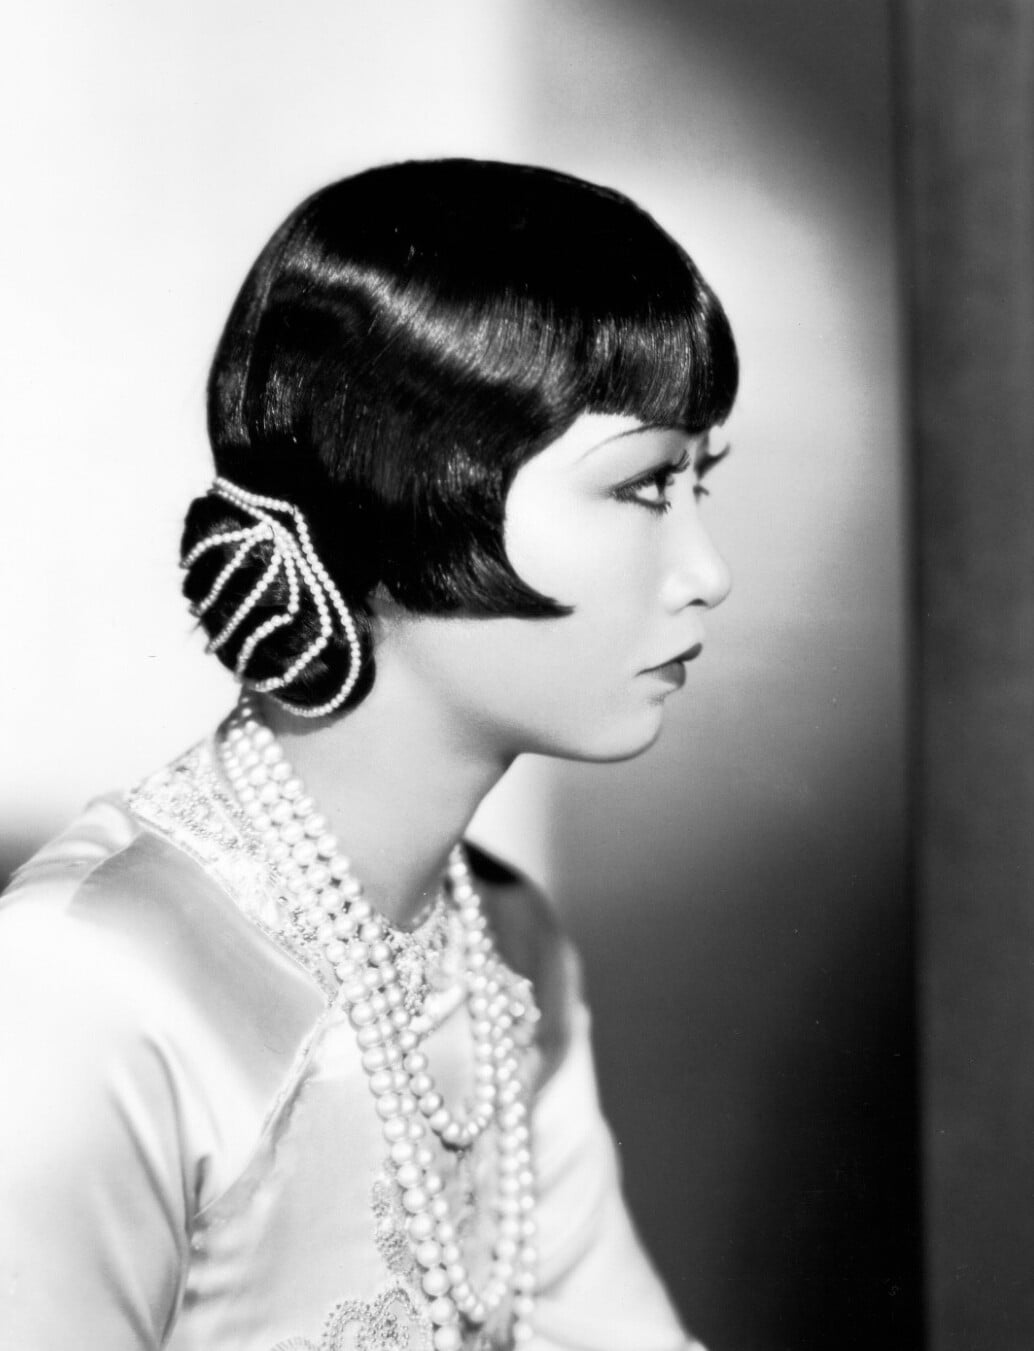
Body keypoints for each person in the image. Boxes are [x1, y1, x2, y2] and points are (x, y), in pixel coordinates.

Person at [0, 158, 736, 1351]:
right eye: (645, 485)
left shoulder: (507, 945)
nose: (707, 573)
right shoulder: (92, 982)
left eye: (703, 483)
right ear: (410, 486)